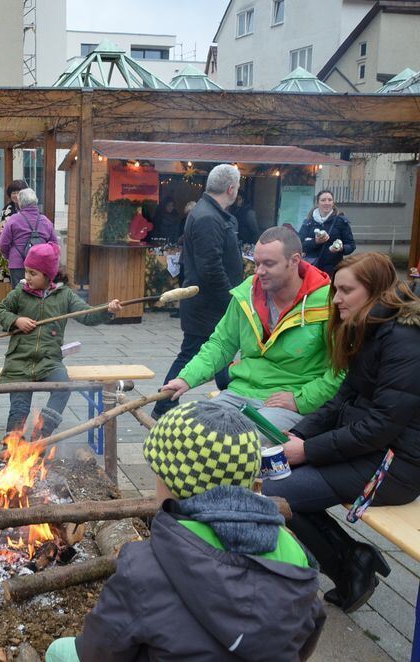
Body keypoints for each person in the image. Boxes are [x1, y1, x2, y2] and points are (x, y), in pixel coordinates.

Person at [45, 400, 325, 661]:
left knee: (60, 652)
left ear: (169, 482)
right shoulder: (295, 554)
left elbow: (98, 652)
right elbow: (309, 630)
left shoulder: (144, 566)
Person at [261, 252, 420, 613]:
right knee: (269, 475)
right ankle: (351, 560)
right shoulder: (373, 329)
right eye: (335, 290)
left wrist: (309, 451)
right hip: (371, 453)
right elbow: (341, 400)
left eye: (346, 291)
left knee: (271, 493)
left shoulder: (405, 342)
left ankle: (348, 563)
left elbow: (381, 426)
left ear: (375, 292)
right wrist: (296, 438)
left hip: (397, 467)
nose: (335, 300)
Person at [162, 226, 342, 431]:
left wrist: (302, 399)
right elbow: (221, 345)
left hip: (288, 400)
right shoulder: (247, 292)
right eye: (256, 263)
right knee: (184, 432)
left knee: (238, 443)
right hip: (238, 393)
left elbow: (341, 370)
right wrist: (187, 378)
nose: (259, 272)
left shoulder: (328, 301)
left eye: (269, 264)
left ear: (295, 260)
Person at [0, 243, 121, 438]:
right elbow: (0, 311)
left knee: (64, 386)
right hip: (19, 360)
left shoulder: (65, 295)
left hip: (49, 360)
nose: (27, 277)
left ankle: (41, 435)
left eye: (33, 273)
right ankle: (13, 441)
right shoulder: (20, 293)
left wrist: (107, 310)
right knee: (19, 404)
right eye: (26, 271)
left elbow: (87, 315)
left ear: (48, 275)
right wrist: (16, 320)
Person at [153, 164, 245, 419]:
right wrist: (233, 299)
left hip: (209, 306)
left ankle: (232, 403)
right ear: (231, 188)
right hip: (209, 307)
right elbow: (210, 269)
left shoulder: (214, 214)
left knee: (222, 357)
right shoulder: (207, 217)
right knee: (192, 355)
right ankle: (163, 407)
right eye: (237, 187)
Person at [0, 188, 59, 289]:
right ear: (35, 203)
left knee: (19, 296)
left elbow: (3, 244)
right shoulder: (45, 221)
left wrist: (10, 256)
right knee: (38, 295)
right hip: (40, 266)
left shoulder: (14, 220)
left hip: (17, 264)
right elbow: (55, 246)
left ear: (20, 203)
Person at [298, 190, 356, 278]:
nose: (327, 203)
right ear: (317, 203)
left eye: (330, 200)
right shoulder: (308, 222)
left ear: (333, 203)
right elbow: (299, 245)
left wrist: (341, 248)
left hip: (332, 271)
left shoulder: (340, 221)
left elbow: (351, 245)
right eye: (323, 200)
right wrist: (315, 242)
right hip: (311, 269)